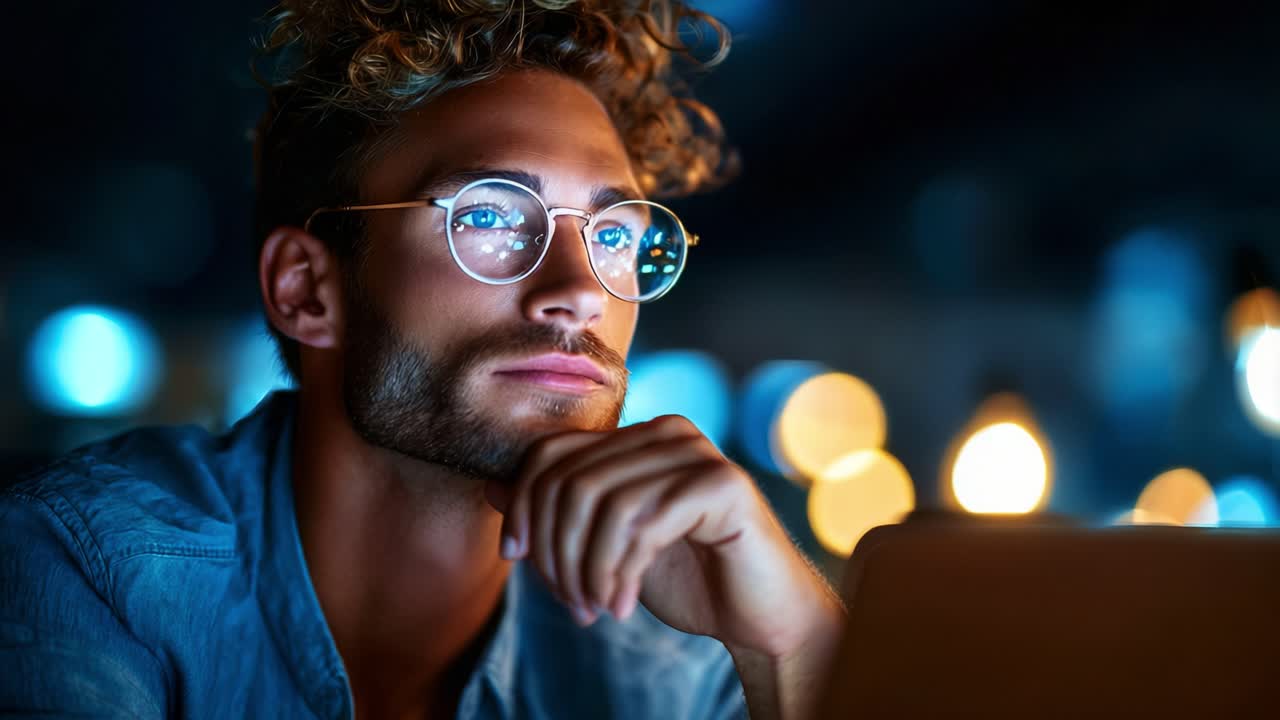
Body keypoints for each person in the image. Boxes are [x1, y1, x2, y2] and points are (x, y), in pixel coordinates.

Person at [0, 1, 846, 718]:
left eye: (615, 234)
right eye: (488, 215)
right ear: (306, 290)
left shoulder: (676, 646)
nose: (581, 290)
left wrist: (796, 649)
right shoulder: (90, 568)